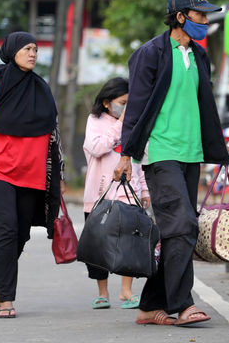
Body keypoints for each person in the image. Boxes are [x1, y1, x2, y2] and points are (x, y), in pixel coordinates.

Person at [113, 0, 229, 326]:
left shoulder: (198, 55)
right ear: (180, 17)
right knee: (183, 224)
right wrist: (126, 154)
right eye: (200, 16)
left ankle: (150, 306)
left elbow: (205, 104)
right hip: (161, 151)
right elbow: (136, 105)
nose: (206, 21)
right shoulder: (150, 54)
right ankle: (182, 304)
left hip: (191, 152)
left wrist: (219, 146)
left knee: (177, 231)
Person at [0, 31, 65, 319]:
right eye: (26, 48)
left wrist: (60, 174)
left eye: (35, 49)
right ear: (12, 51)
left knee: (20, 233)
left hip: (31, 173)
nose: (32, 54)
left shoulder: (42, 88)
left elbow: (53, 135)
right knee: (4, 231)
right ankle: (6, 300)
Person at [82, 77, 151, 310]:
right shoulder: (95, 120)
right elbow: (97, 147)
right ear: (106, 103)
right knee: (98, 244)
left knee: (129, 241)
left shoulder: (135, 123)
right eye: (123, 102)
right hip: (100, 192)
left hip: (129, 191)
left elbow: (139, 158)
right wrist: (121, 123)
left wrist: (145, 188)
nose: (126, 107)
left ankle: (126, 290)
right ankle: (103, 292)